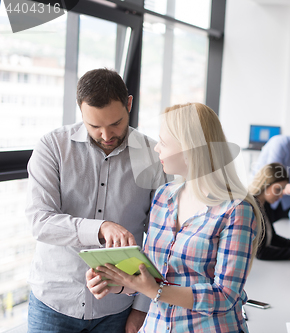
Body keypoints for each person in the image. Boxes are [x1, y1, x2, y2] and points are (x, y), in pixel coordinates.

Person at [86, 103, 264, 332]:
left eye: (164, 142)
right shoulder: (163, 196)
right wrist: (119, 282)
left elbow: (225, 296)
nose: (157, 148)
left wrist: (154, 291)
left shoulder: (236, 210)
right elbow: (154, 275)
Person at [26, 68, 166, 332]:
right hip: (54, 304)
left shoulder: (152, 155)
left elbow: (161, 237)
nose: (106, 135)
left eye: (115, 123)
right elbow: (39, 221)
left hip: (118, 308)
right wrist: (99, 228)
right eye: (94, 126)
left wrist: (142, 309)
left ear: (129, 104)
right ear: (81, 111)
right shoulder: (52, 147)